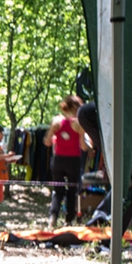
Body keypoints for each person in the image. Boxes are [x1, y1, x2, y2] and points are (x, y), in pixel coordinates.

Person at [43, 95, 87, 229]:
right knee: (72, 190)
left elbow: (47, 142)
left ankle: (53, 217)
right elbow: (83, 146)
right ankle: (69, 220)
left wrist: (54, 133)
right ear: (76, 108)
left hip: (58, 160)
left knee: (58, 190)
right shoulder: (79, 123)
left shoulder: (57, 121)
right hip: (73, 160)